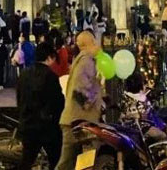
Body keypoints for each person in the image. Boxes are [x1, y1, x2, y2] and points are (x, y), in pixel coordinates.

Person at [55, 31, 102, 170]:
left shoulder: (81, 60)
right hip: (78, 122)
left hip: (76, 120)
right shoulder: (87, 61)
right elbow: (80, 90)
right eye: (94, 41)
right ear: (89, 43)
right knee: (69, 162)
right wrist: (93, 101)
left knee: (74, 162)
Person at [16, 42, 64, 170]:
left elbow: (19, 98)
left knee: (27, 160)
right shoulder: (51, 76)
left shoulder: (24, 74)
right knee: (56, 158)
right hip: (46, 127)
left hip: (27, 124)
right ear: (49, 57)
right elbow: (57, 102)